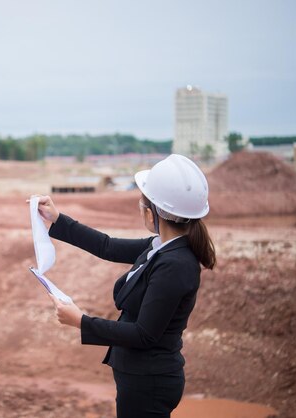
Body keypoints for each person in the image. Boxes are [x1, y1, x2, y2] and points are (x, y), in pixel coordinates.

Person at [35, 154, 216, 418]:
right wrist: (57, 218)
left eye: (143, 200)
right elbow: (106, 246)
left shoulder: (175, 264)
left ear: (153, 210)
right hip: (142, 377)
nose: (139, 204)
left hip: (149, 382)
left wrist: (81, 321)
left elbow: (144, 334)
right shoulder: (161, 248)